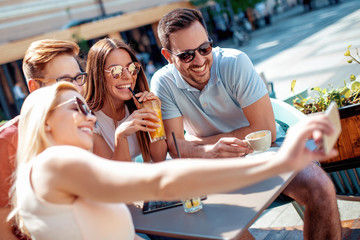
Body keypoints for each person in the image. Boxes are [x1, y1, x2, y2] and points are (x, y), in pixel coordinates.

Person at [9, 81, 338, 240]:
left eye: (88, 109)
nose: (90, 117)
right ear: (44, 121)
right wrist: (280, 162)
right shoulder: (56, 163)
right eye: (75, 108)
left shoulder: (41, 171)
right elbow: (161, 180)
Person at [151, 8, 341, 239]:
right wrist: (211, 151)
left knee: (319, 186)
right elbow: (176, 148)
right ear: (168, 56)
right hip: (212, 166)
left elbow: (265, 132)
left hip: (267, 150)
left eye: (204, 48)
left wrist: (201, 143)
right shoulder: (162, 82)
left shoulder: (235, 62)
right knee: (208, 220)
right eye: (187, 55)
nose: (200, 60)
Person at [0, 39, 86, 240]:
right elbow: (4, 230)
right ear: (34, 87)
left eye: (78, 78)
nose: (76, 89)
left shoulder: (82, 125)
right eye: (65, 81)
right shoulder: (6, 142)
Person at [84, 38, 167, 163]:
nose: (129, 76)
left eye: (132, 67)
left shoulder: (138, 105)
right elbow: (118, 175)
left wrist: (155, 116)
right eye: (116, 71)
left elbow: (159, 158)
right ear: (98, 76)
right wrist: (120, 136)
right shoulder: (89, 121)